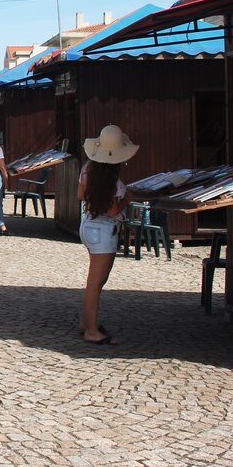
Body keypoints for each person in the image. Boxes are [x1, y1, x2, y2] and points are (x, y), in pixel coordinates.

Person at [77, 124, 139, 345]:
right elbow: (113, 210)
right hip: (103, 229)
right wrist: (127, 200)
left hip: (88, 224)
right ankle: (91, 330)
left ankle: (88, 322)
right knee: (96, 282)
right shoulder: (112, 181)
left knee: (94, 281)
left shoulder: (88, 168)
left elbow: (80, 194)